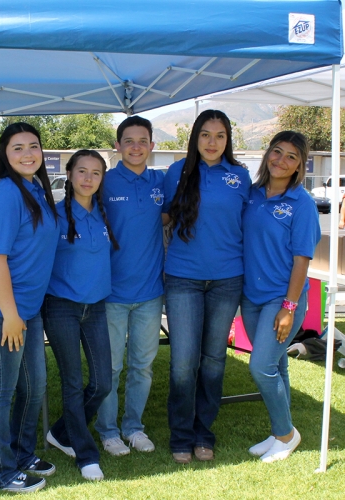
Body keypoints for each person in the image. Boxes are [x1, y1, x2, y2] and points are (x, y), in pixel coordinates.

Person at [0, 122, 60, 493]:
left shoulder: (36, 187)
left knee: (35, 385)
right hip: (0, 309)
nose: (27, 154)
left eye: (33, 146)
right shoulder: (7, 193)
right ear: (5, 154)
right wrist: (9, 315)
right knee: (2, 390)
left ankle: (21, 453)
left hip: (27, 309)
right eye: (18, 148)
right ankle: (2, 472)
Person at [163, 109, 251, 464]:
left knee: (213, 360)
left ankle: (204, 433)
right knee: (184, 361)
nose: (212, 142)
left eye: (219, 136)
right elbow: (154, 216)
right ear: (194, 138)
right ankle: (181, 435)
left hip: (227, 279)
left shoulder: (241, 177)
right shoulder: (176, 173)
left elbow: (256, 224)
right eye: (205, 135)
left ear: (228, 141)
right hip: (183, 277)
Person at [241, 131, 320, 462]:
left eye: (291, 156)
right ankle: (280, 430)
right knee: (276, 365)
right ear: (267, 154)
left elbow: (302, 259)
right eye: (277, 151)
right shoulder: (252, 194)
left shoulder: (301, 204)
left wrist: (289, 308)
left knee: (261, 367)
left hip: (282, 298)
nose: (281, 160)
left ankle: (287, 435)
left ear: (300, 164)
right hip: (251, 296)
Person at [42, 150, 119, 481]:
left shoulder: (105, 215)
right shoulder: (54, 216)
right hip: (61, 307)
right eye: (82, 171)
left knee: (102, 382)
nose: (88, 178)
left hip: (96, 307)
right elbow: (22, 247)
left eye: (96, 173)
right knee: (73, 382)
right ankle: (86, 455)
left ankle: (60, 432)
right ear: (69, 175)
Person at [92, 116, 166, 456]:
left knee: (142, 366)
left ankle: (133, 427)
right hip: (111, 295)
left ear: (152, 145)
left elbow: (172, 216)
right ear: (117, 146)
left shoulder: (160, 183)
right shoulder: (103, 183)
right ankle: (107, 431)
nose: (136, 147)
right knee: (110, 366)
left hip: (150, 294)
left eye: (142, 141)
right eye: (129, 141)